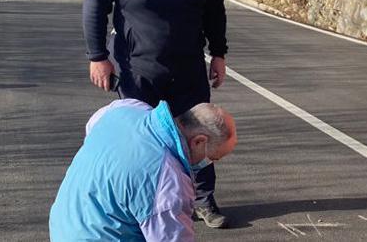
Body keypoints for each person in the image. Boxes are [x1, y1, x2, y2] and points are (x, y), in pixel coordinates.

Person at [82, 0, 231, 228]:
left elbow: (214, 8)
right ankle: (141, 204)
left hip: (188, 66)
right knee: (141, 142)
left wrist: (219, 53)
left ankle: (203, 200)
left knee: (200, 133)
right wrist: (97, 56)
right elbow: (95, 3)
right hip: (140, 70)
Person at [49, 100, 237, 241]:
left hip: (64, 223)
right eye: (213, 158)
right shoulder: (168, 181)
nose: (209, 163)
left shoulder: (126, 108)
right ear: (199, 141)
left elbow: (92, 128)